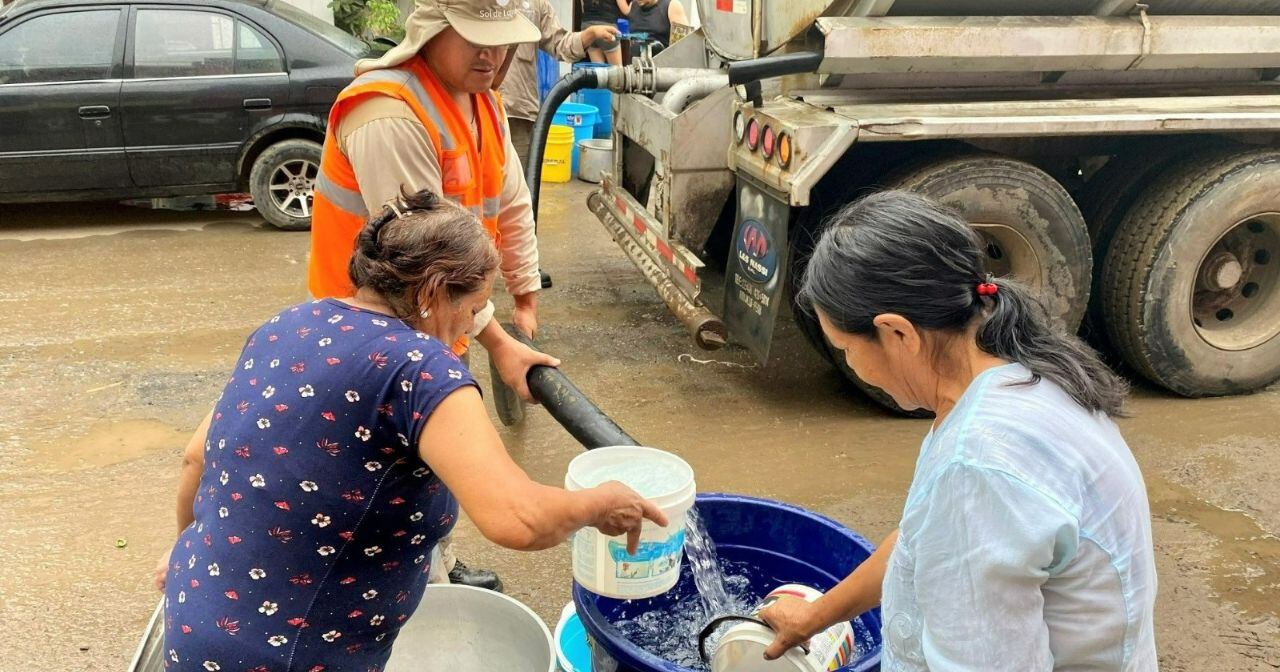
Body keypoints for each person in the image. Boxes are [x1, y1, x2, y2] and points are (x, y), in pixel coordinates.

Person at [155, 190, 667, 672]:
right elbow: (518, 518)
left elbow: (196, 457)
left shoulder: (290, 323)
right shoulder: (420, 369)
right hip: (288, 656)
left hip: (195, 617)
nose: (469, 327)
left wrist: (186, 555)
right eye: (473, 309)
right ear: (432, 293)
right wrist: (599, 504)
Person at [760, 191, 1157, 670]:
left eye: (846, 349)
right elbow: (922, 541)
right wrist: (814, 617)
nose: (851, 365)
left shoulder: (979, 461)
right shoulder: (1023, 372)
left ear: (898, 333)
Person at [308, 0, 545, 591]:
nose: (492, 55)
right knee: (384, 466)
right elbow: (422, 263)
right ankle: (405, 587)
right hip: (366, 334)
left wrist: (525, 290)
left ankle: (434, 561)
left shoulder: (482, 101)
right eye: (475, 37)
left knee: (428, 461)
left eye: (502, 40)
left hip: (441, 316)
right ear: (432, 26)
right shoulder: (388, 115)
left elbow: (511, 200)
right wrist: (500, 343)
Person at [494, 0, 618, 167]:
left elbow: (561, 43)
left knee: (520, 181)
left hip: (518, 113)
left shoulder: (534, 3)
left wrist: (590, 33)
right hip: (475, 111)